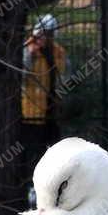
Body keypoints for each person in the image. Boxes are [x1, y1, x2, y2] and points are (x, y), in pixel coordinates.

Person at [20, 13, 68, 189]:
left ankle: (53, 183)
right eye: (42, 33)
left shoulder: (58, 52)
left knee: (54, 148)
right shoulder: (28, 50)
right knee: (33, 150)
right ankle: (31, 185)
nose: (44, 37)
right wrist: (30, 56)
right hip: (30, 111)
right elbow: (21, 78)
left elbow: (64, 77)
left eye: (48, 33)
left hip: (51, 110)